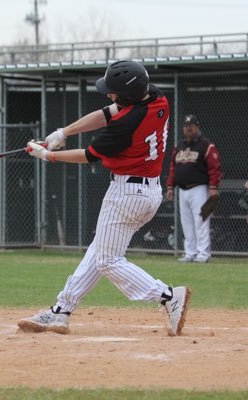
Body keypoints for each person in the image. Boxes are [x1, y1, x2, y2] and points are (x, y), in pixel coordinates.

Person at [17, 60, 191, 336]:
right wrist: (63, 133)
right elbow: (106, 113)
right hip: (148, 191)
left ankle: (169, 296)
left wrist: (48, 155)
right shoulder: (156, 98)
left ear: (127, 95)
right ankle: (61, 311)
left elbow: (88, 156)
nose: (109, 94)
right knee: (100, 251)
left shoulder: (126, 125)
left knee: (108, 261)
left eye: (113, 91)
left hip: (126, 195)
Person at [166, 115, 222, 263]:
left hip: (200, 189)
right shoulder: (179, 146)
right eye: (186, 126)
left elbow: (214, 168)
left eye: (191, 125)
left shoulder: (206, 145)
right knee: (187, 223)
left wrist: (213, 187)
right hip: (182, 190)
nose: (188, 128)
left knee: (201, 221)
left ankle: (203, 253)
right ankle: (190, 253)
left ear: (197, 127)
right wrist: (170, 186)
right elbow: (173, 167)